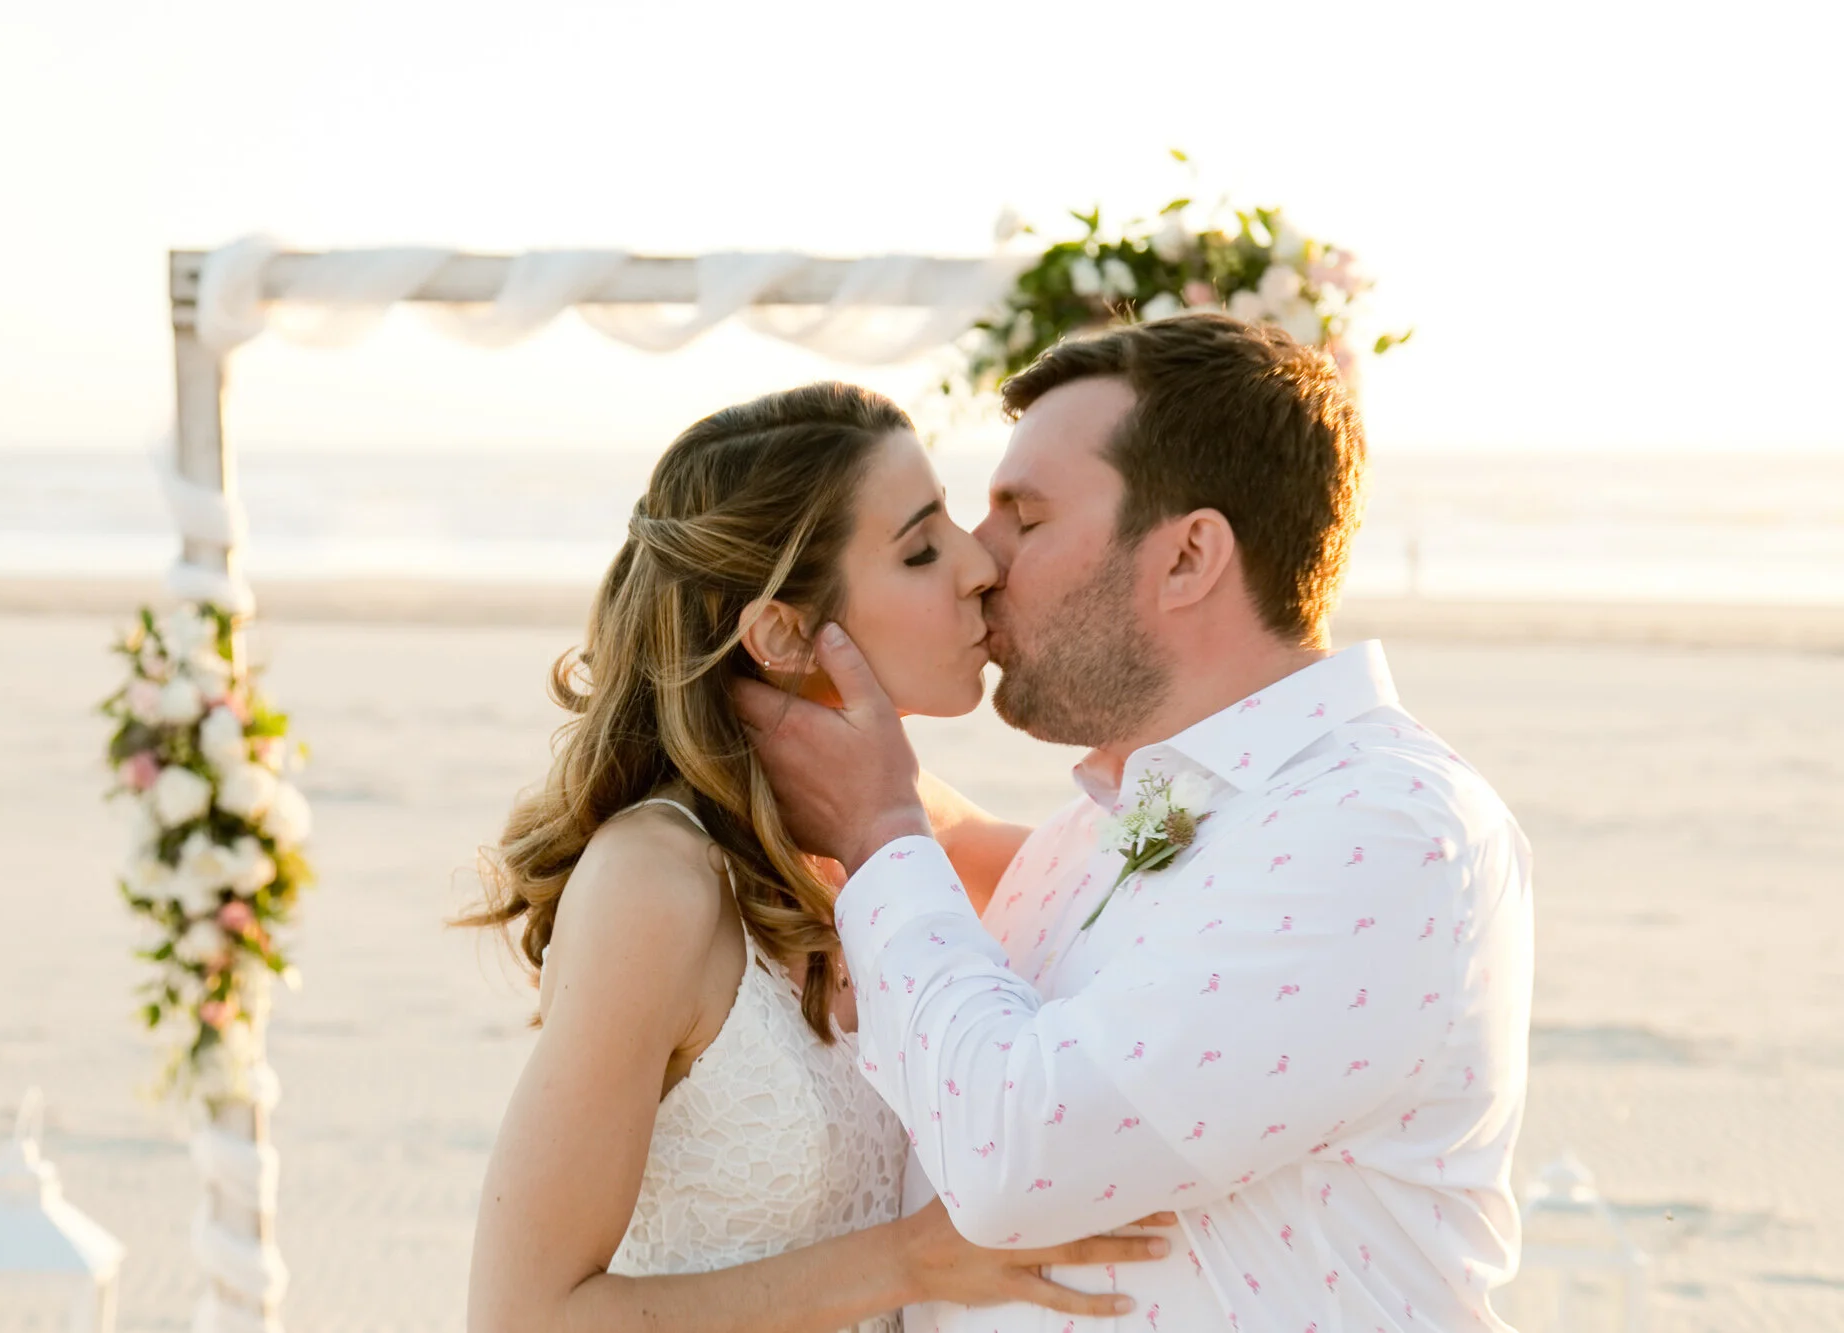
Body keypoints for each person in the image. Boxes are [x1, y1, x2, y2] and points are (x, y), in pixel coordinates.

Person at [737, 314, 1536, 1331]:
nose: (978, 560)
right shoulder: (1106, 822)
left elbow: (1013, 1160)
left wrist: (881, 825)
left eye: (1024, 517)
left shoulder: (1387, 832)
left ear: (1188, 556)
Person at [460, 383, 1171, 1333]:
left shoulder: (899, 825)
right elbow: (524, 1315)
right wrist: (913, 1260)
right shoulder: (654, 884)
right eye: (920, 550)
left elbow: (1140, 891)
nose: (979, 566)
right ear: (783, 633)